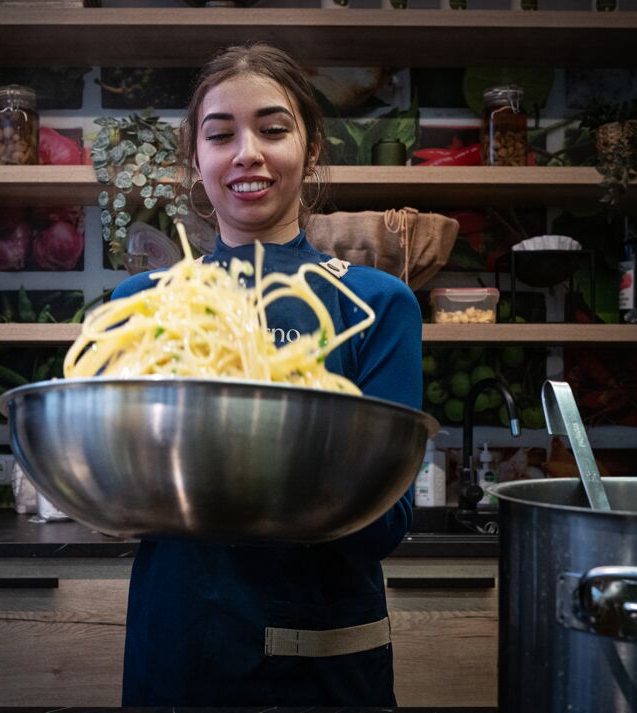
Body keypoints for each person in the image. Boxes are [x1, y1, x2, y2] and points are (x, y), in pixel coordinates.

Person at [111, 42, 423, 706]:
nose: (246, 152)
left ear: (310, 151)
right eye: (220, 134)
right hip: (179, 649)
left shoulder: (375, 304)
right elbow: (119, 492)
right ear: (195, 160)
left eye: (274, 129)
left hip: (324, 662)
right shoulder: (142, 305)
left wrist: (266, 455)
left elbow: (389, 517)